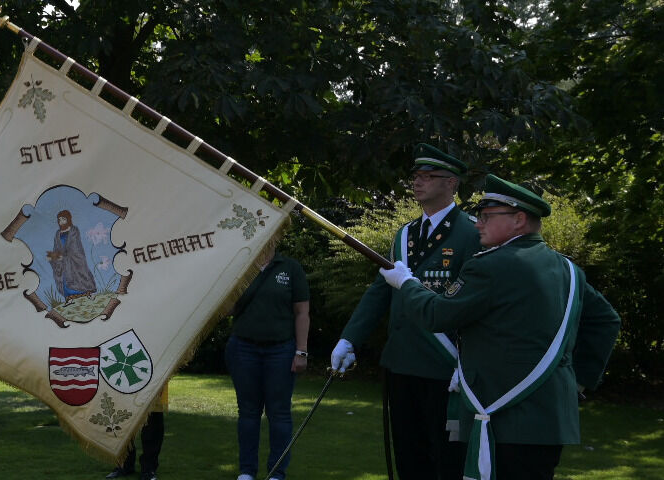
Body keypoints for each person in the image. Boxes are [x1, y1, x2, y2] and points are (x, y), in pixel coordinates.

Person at [378, 174, 621, 480]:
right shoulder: (567, 268)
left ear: (519, 220)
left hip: (501, 415)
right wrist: (579, 382)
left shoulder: (489, 266)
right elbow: (606, 320)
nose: (478, 223)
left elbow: (437, 314)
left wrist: (406, 283)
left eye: (487, 216)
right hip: (550, 418)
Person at [330, 143, 479, 479]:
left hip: (444, 366)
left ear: (451, 183)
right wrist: (350, 338)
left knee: (446, 459)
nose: (418, 182)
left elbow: (476, 303)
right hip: (402, 361)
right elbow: (381, 288)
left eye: (429, 176)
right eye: (416, 176)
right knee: (409, 458)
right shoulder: (405, 234)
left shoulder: (471, 233)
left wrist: (469, 358)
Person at [226, 249, 310, 480]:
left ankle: (276, 473)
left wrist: (301, 351)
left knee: (279, 413)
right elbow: (227, 309)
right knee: (248, 412)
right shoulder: (240, 265)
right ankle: (247, 472)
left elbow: (302, 312)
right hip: (243, 348)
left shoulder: (290, 267)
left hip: (281, 350)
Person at [105, 386, 167, 480]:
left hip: (154, 379)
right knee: (123, 423)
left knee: (152, 425)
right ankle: (124, 465)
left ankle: (149, 469)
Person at [47, 209, 97, 301]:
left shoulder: (74, 230)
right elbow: (56, 247)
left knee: (80, 275)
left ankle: (89, 293)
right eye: (59, 220)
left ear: (68, 219)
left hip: (75, 258)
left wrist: (64, 256)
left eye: (63, 219)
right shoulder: (58, 233)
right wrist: (54, 256)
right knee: (64, 276)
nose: (61, 222)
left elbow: (75, 246)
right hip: (63, 260)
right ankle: (69, 297)